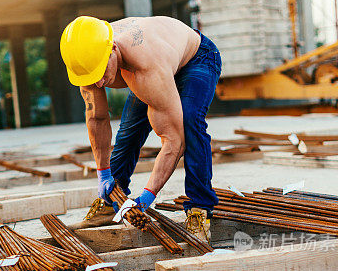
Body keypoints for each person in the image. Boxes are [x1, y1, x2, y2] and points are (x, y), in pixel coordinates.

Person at [60, 15, 222, 242]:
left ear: (113, 49)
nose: (98, 83)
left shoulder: (146, 65)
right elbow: (97, 119)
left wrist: (148, 196)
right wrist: (103, 174)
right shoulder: (89, 60)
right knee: (128, 131)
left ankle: (199, 208)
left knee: (189, 123)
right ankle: (110, 201)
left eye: (100, 73)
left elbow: (174, 141)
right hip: (156, 64)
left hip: (197, 58)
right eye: (92, 77)